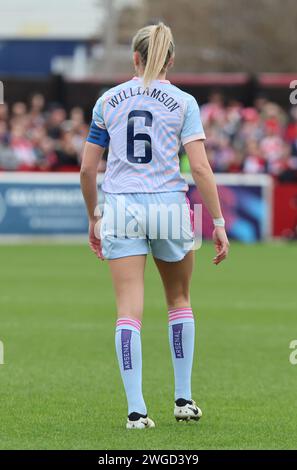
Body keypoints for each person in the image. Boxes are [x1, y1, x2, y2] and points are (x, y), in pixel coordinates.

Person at [80, 23, 229, 430]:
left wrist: (95, 216)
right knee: (179, 300)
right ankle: (183, 400)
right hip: (168, 206)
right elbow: (199, 166)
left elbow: (87, 169)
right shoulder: (183, 102)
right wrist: (217, 222)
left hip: (122, 207)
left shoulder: (107, 100)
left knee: (129, 310)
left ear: (135, 58)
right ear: (171, 60)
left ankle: (136, 411)